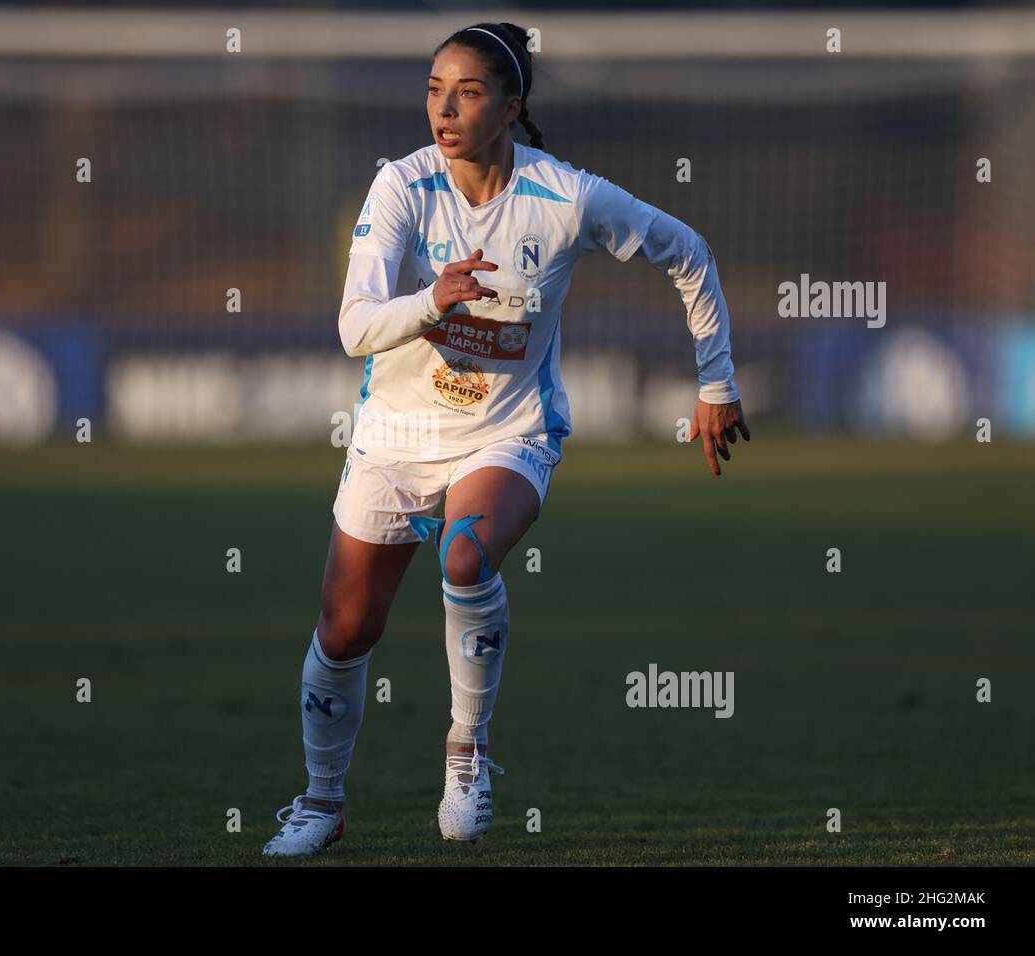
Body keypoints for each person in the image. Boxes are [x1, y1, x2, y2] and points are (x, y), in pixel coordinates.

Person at [262, 20, 750, 858]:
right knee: (345, 630)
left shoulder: (568, 197)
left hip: (509, 430)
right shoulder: (402, 188)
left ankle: (466, 750)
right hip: (397, 432)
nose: (444, 109)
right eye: (433, 89)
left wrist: (716, 385)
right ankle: (321, 802)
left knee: (463, 554)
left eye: (469, 91)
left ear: (512, 106)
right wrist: (432, 302)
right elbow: (354, 328)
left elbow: (689, 252)